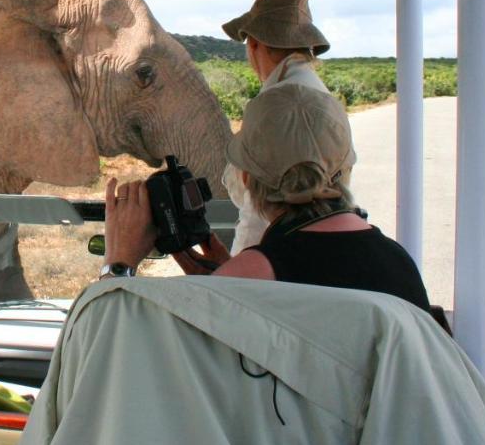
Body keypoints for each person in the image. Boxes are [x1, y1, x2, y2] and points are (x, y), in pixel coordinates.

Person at [104, 82, 430, 313]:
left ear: (246, 177)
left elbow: (114, 355)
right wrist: (236, 276)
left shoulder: (256, 277)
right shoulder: (399, 262)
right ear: (344, 169)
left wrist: (119, 262)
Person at [219, 0, 351, 252]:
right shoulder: (323, 97)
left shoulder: (279, 105)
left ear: (253, 44)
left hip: (283, 256)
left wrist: (239, 269)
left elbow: (256, 212)